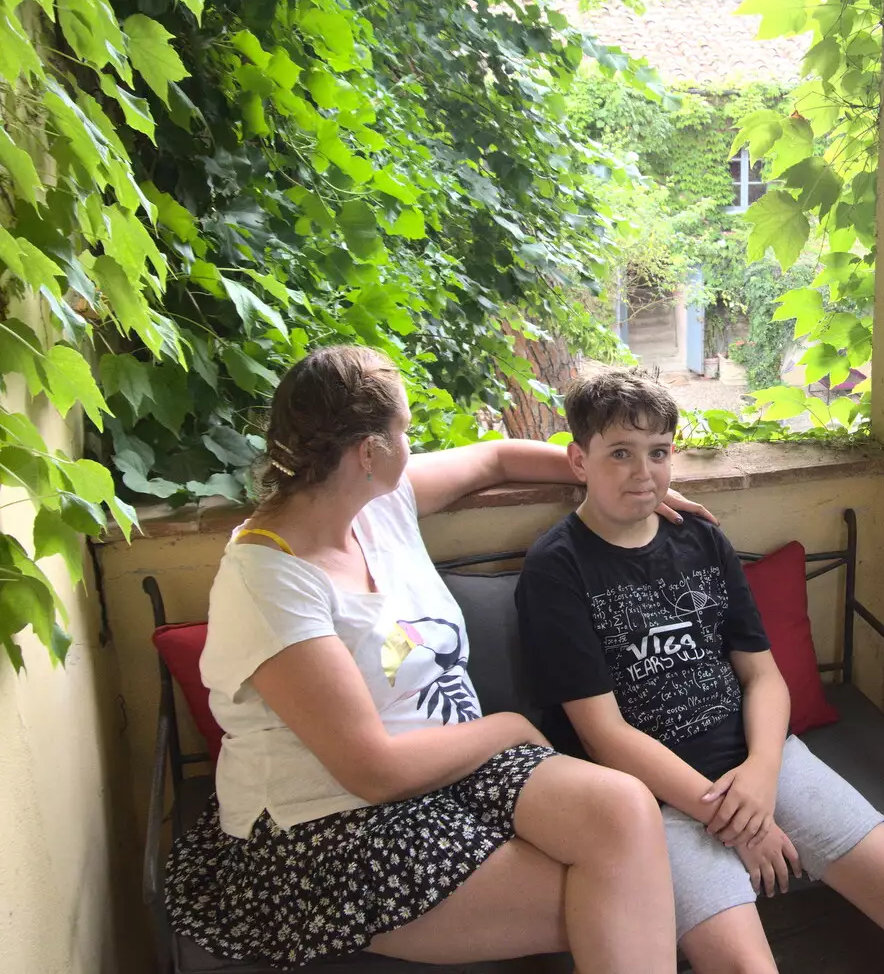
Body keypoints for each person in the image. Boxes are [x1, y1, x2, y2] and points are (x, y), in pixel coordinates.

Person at [164, 345, 698, 972]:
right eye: (405, 432)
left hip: (458, 770)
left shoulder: (375, 503)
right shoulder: (269, 578)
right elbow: (374, 771)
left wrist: (624, 483)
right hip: (334, 824)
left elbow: (494, 458)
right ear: (369, 451)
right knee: (620, 899)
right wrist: (508, 729)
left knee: (623, 807)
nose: (410, 445)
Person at [516, 368, 884, 974]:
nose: (643, 473)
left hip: (758, 761)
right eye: (620, 455)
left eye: (658, 453)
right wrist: (732, 818)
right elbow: (603, 735)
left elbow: (762, 676)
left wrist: (762, 773)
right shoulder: (557, 570)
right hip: (651, 801)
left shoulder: (702, 541)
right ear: (579, 461)